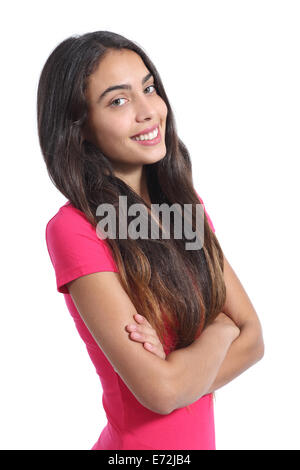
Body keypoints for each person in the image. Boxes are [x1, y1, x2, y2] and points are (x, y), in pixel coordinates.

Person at [37, 31, 264, 450]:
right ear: (80, 127)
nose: (148, 112)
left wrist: (179, 374)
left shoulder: (184, 208)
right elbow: (158, 393)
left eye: (149, 88)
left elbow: (253, 340)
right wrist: (218, 329)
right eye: (118, 101)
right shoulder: (75, 228)